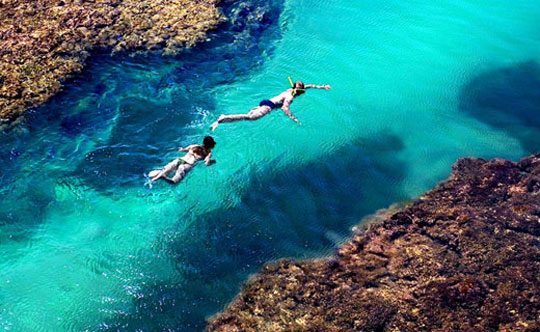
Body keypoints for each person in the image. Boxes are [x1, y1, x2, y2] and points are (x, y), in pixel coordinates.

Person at [210, 81, 331, 131]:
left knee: (251, 115)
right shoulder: (289, 97)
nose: (303, 91)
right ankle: (223, 118)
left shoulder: (291, 90)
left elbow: (309, 86)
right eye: (301, 90)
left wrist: (321, 87)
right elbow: (285, 108)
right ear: (297, 91)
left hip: (266, 102)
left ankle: (254, 110)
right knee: (250, 118)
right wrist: (293, 118)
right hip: (269, 106)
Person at [149, 136, 216, 184]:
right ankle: (163, 177)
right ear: (211, 145)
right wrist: (213, 161)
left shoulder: (193, 146)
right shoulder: (208, 153)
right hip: (186, 165)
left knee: (165, 171)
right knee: (174, 182)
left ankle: (158, 175)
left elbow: (182, 150)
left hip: (179, 160)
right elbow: (206, 163)